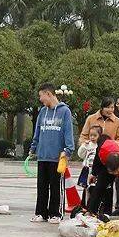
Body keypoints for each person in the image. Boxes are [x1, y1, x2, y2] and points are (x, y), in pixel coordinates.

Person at [29, 82, 74, 223]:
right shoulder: (42, 112)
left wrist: (68, 150)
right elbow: (37, 131)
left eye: (41, 96)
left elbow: (68, 132)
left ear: (49, 94)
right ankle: (40, 212)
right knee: (41, 186)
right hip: (43, 155)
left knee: (56, 187)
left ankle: (56, 213)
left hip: (58, 156)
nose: (40, 99)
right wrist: (33, 147)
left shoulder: (65, 111)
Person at [76, 125, 103, 209]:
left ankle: (95, 206)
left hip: (96, 171)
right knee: (86, 188)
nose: (92, 137)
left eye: (95, 135)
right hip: (87, 169)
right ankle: (85, 205)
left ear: (100, 136)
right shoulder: (88, 145)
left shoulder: (100, 145)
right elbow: (80, 155)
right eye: (91, 135)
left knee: (94, 188)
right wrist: (84, 145)